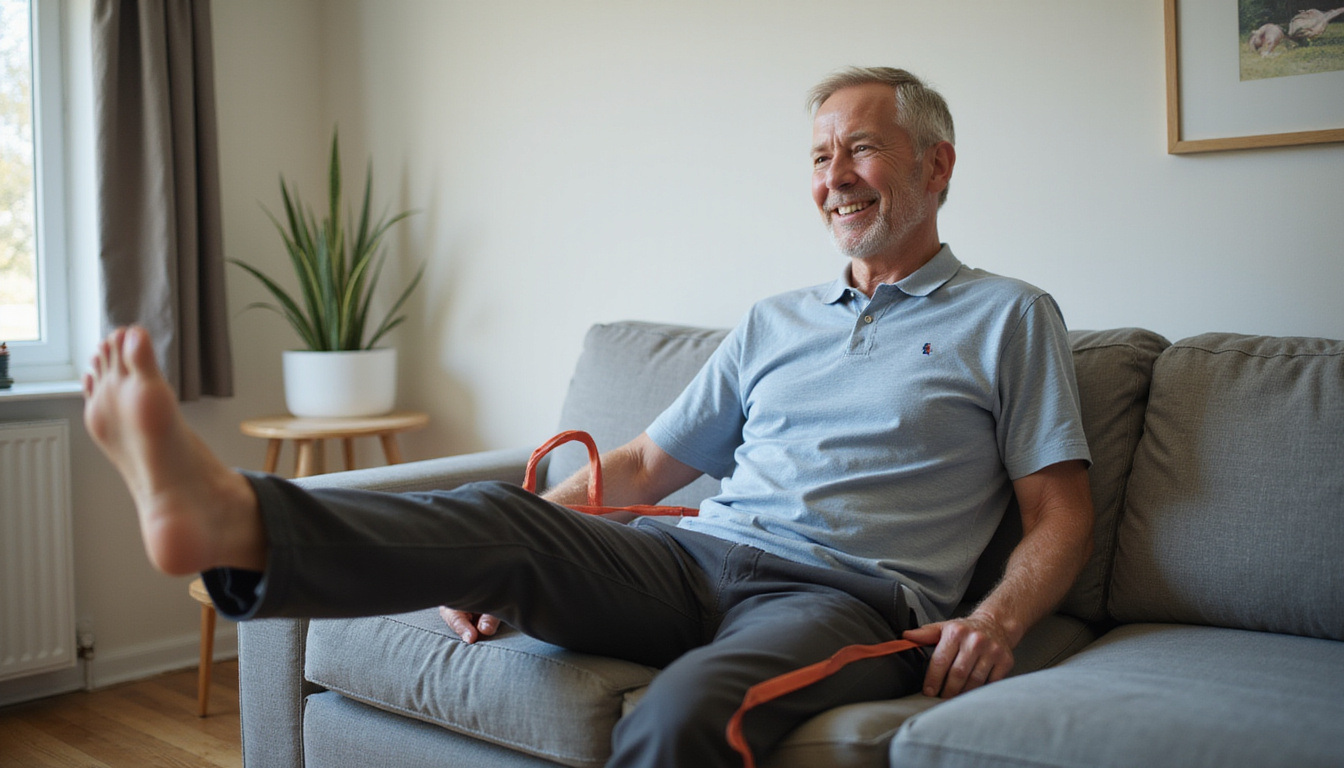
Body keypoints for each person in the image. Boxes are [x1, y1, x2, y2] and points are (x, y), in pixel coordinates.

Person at [84, 67, 1094, 768]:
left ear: (936, 166)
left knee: (684, 715)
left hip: (844, 599)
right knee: (500, 516)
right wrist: (501, 560)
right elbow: (647, 462)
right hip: (695, 559)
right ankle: (238, 524)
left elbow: (1059, 513)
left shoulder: (1008, 317)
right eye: (821, 155)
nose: (833, 177)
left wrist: (994, 621)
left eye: (861, 149)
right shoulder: (775, 321)